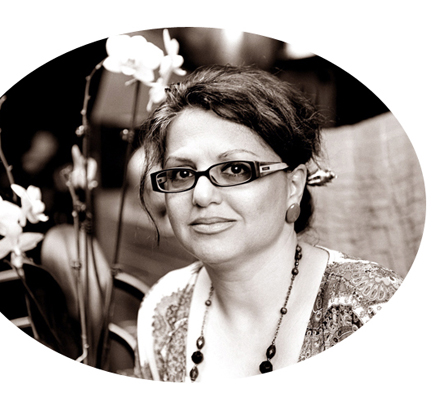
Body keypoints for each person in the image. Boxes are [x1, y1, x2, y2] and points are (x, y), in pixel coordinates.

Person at [133, 65, 402, 382]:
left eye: (235, 169)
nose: (201, 195)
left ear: (294, 185)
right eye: (182, 173)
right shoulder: (161, 309)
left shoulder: (372, 307)